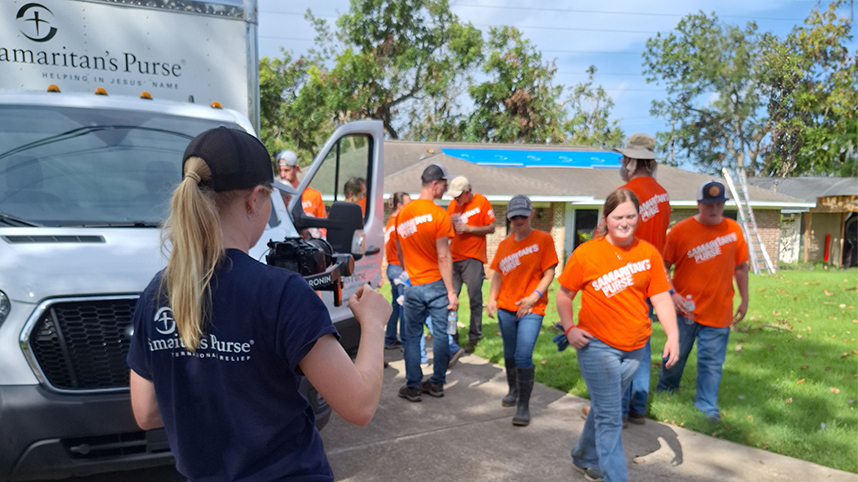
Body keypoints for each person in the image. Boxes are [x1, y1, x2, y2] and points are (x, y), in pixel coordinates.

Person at [127, 127, 391, 481]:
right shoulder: (282, 293)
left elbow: (145, 413)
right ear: (255, 200)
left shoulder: (156, 294)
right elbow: (359, 405)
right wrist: (373, 325)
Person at [556, 188, 679, 482]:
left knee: (603, 407)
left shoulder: (648, 253)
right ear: (606, 218)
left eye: (631, 217)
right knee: (611, 418)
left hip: (636, 347)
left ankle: (583, 456)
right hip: (597, 346)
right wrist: (569, 328)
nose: (624, 223)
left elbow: (661, 298)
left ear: (639, 217)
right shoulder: (587, 253)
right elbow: (564, 295)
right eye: (618, 217)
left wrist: (673, 336)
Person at [657, 180, 750, 423]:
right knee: (674, 357)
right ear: (698, 204)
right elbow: (662, 267)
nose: (714, 209)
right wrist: (671, 293)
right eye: (709, 204)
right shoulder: (680, 231)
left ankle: (707, 407)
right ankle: (665, 393)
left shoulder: (733, 231)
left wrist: (745, 297)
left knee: (711, 363)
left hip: (719, 310)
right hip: (683, 311)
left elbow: (741, 267)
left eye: (719, 204)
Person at [486, 195, 558, 426]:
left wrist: (534, 297)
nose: (518, 220)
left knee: (523, 354)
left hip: (532, 308)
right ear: (508, 218)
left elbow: (549, 272)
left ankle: (523, 406)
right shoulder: (505, 245)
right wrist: (491, 299)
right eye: (514, 216)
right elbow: (498, 274)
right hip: (506, 308)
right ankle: (513, 389)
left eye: (522, 215)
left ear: (531, 214)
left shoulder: (543, 239)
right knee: (509, 353)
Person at [615, 133, 671, 426]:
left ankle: (619, 410)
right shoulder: (662, 194)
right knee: (642, 341)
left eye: (624, 158)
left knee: (622, 344)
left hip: (629, 278)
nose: (622, 163)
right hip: (654, 276)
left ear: (633, 161)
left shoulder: (627, 193)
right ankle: (637, 406)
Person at [395, 163, 457, 402]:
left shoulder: (403, 214)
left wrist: (410, 271)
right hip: (436, 285)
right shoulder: (440, 215)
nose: (446, 188)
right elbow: (443, 256)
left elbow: (400, 253)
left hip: (413, 285)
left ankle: (412, 386)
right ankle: (437, 383)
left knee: (412, 336)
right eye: (444, 184)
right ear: (434, 185)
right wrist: (451, 291)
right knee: (440, 335)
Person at [446, 176, 496, 354]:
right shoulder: (453, 205)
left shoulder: (481, 202)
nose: (456, 200)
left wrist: (470, 229)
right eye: (454, 197)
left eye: (458, 196)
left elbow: (491, 227)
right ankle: (451, 337)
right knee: (450, 300)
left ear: (468, 192)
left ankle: (475, 336)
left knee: (474, 298)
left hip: (473, 257)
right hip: (454, 258)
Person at [384, 191, 412, 349]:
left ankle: (390, 338)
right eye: (408, 202)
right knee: (404, 305)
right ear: (400, 205)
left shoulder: (390, 221)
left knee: (396, 304)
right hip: (399, 268)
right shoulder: (399, 222)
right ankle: (406, 342)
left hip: (391, 267)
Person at [277, 150, 326, 219]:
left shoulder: (314, 196)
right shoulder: (276, 196)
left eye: (286, 170)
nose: (282, 175)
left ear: (296, 169)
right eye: (279, 170)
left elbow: (322, 226)